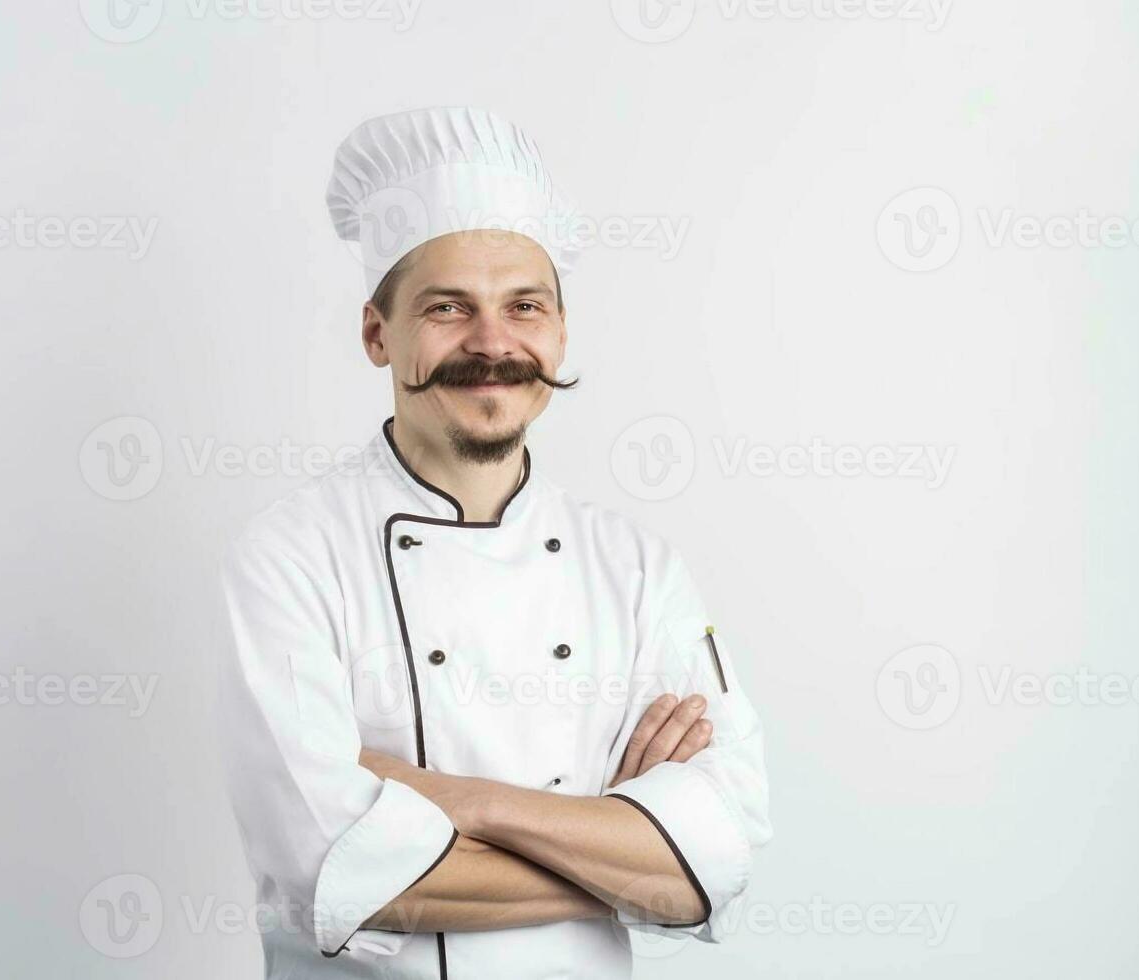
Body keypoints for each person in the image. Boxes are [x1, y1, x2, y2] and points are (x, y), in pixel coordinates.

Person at [217, 106, 771, 979]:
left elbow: (723, 851)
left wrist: (452, 800)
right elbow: (334, 869)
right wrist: (628, 854)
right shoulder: (289, 557)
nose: (492, 343)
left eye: (525, 307)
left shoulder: (637, 569)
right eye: (447, 307)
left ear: (558, 331)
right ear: (377, 333)